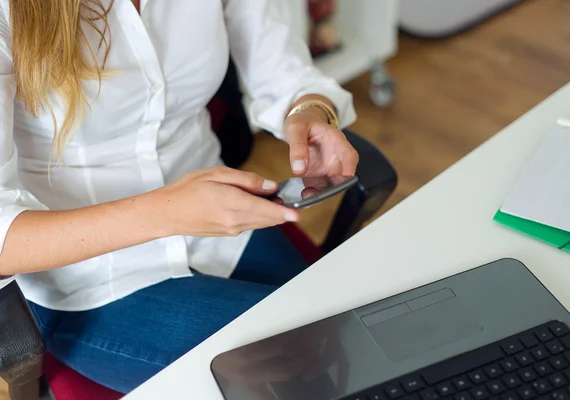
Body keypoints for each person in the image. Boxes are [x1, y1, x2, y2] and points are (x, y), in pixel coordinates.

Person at [0, 0, 358, 394]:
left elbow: (282, 69)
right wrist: (168, 212)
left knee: (348, 338)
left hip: (221, 226)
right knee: (297, 364)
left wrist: (310, 111)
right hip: (87, 280)